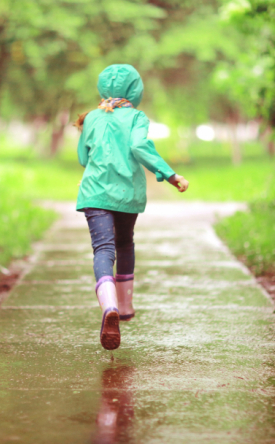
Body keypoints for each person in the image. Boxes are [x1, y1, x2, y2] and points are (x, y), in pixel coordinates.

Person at [75, 64, 189, 351]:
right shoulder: (137, 117)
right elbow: (140, 147)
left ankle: (108, 306)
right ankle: (124, 307)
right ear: (135, 89)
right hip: (127, 195)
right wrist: (170, 174)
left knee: (103, 249)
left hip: (94, 195)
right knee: (125, 244)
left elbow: (82, 158)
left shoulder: (91, 118)